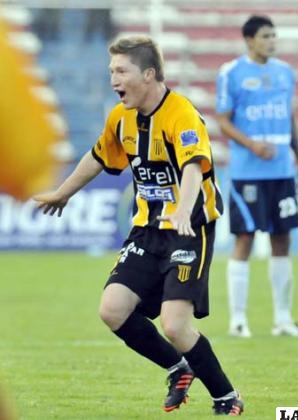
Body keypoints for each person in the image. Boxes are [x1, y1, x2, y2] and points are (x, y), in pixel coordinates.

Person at [34, 35, 244, 416]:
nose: (113, 79)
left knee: (175, 326)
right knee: (112, 310)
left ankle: (226, 397)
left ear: (148, 74)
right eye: (111, 70)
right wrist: (63, 193)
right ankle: (178, 369)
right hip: (147, 231)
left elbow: (194, 166)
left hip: (188, 228)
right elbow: (99, 156)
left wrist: (182, 209)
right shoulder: (121, 117)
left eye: (120, 71)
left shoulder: (181, 113)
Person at [216, 15, 298, 339]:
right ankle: (238, 320)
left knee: (283, 239)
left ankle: (283, 319)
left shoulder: (285, 72)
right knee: (244, 239)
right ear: (249, 39)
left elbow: (289, 117)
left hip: (281, 172)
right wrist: (252, 144)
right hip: (247, 173)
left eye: (275, 35)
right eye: (267, 36)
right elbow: (223, 121)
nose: (273, 41)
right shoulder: (231, 73)